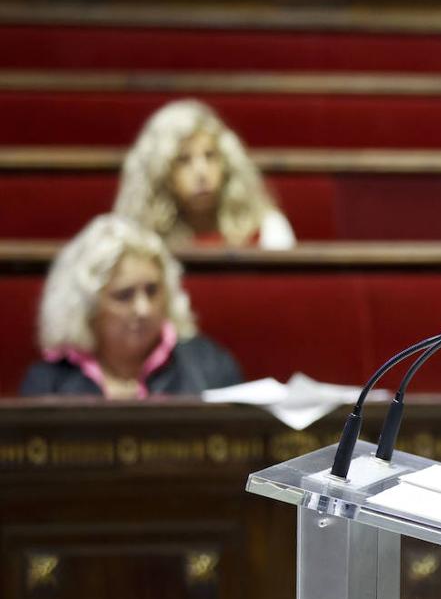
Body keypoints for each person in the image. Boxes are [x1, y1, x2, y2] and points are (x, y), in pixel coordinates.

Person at [20, 214, 243, 398]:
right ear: (89, 307)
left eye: (152, 291)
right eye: (124, 296)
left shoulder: (209, 366)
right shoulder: (48, 382)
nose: (143, 309)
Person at [114, 99, 295, 249]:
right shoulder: (137, 241)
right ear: (161, 174)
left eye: (210, 156)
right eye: (184, 160)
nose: (202, 172)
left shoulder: (268, 228)